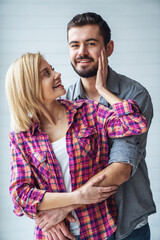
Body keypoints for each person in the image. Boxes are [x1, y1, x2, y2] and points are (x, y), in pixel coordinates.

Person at [36, 12, 156, 240]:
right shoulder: (64, 100)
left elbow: (121, 168)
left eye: (90, 43)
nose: (81, 52)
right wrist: (47, 214)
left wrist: (64, 206)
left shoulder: (135, 95)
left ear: (108, 48)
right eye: (74, 45)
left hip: (127, 225)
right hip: (83, 226)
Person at [6, 51, 148, 240]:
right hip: (55, 235)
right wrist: (77, 197)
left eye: (52, 69)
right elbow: (20, 196)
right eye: (46, 74)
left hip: (99, 230)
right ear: (28, 88)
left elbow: (136, 123)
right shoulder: (21, 137)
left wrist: (103, 90)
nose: (58, 75)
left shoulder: (88, 111)